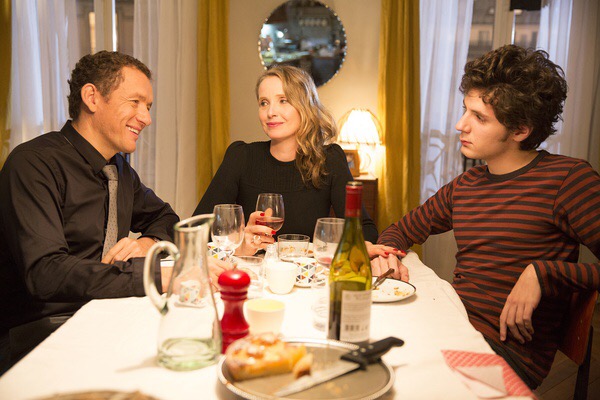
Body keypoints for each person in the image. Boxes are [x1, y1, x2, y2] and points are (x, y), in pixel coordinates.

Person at [375, 45, 600, 388]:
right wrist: (387, 255)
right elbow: (401, 230)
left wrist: (544, 273)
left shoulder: (568, 180)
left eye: (479, 118)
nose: (460, 125)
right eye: (465, 110)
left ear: (520, 130)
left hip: (503, 354)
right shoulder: (467, 184)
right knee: (361, 351)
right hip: (453, 327)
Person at [0, 51, 229, 372]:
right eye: (135, 102)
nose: (146, 118)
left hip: (103, 312)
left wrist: (146, 244)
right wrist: (159, 275)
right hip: (41, 332)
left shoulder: (118, 169)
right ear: (92, 97)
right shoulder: (34, 164)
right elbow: (46, 273)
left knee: (201, 344)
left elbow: (166, 219)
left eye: (148, 107)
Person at [194, 65, 380, 256]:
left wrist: (359, 245)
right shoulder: (240, 156)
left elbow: (364, 230)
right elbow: (196, 231)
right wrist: (240, 242)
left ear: (305, 106)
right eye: (264, 103)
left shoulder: (330, 159)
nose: (270, 112)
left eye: (283, 100)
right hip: (251, 271)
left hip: (307, 272)